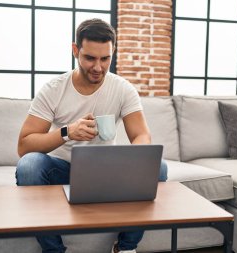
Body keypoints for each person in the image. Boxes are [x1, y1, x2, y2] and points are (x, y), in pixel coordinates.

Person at [16, 18, 168, 253]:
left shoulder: (123, 89)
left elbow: (142, 135)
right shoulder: (53, 89)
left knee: (159, 166)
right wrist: (67, 132)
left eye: (105, 59)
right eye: (90, 58)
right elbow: (24, 146)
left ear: (112, 52)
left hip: (108, 172)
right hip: (64, 170)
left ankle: (126, 248)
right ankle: (54, 251)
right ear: (75, 50)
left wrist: (132, 158)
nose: (98, 67)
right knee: (29, 165)